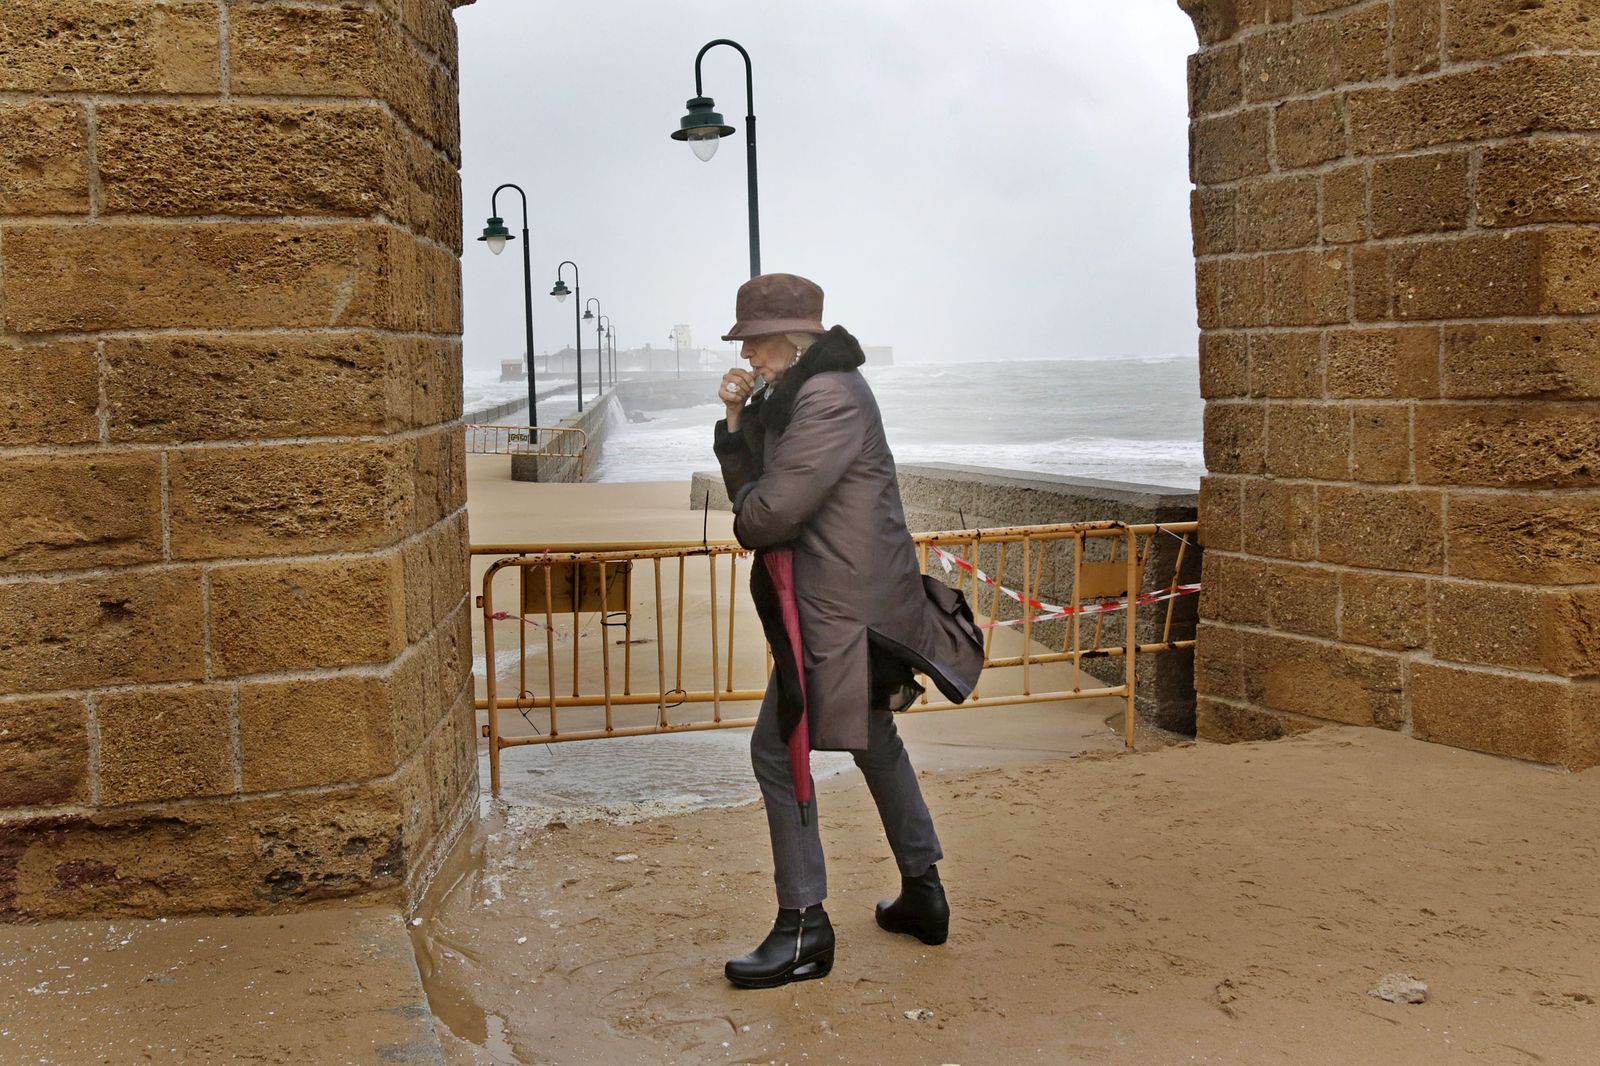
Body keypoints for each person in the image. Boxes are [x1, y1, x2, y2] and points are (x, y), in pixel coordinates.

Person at [712, 273, 985, 989]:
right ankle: (924, 895)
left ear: (791, 336)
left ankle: (803, 925)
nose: (752, 356)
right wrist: (739, 419)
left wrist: (748, 501)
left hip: (841, 615)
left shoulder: (828, 397)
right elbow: (768, 483)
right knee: (875, 738)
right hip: (846, 607)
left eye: (756, 343)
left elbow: (766, 515)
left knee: (778, 750)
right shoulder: (804, 394)